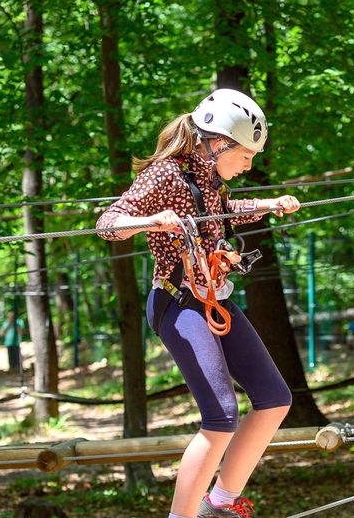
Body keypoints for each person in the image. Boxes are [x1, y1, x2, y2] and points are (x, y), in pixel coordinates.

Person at [97, 89, 299, 518]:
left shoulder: (208, 179)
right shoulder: (165, 175)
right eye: (245, 155)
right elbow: (108, 223)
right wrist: (149, 221)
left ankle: (221, 503)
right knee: (222, 415)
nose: (248, 165)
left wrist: (269, 205)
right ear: (218, 143)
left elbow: (224, 211)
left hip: (213, 299)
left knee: (274, 398)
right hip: (177, 302)